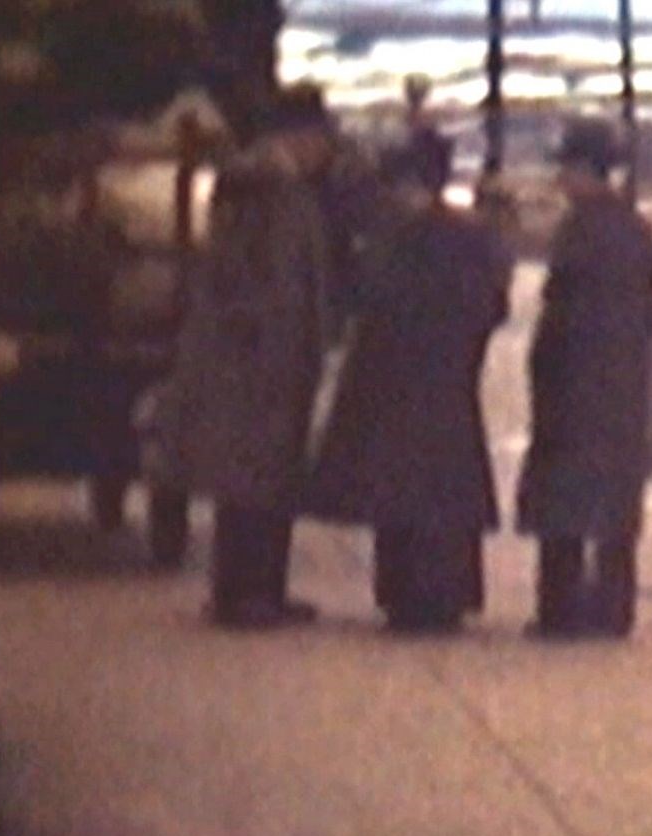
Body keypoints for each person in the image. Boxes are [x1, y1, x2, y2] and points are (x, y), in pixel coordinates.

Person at [305, 127, 512, 633]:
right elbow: (490, 304)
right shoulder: (468, 237)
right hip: (446, 385)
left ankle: (407, 593)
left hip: (398, 384)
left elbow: (367, 296)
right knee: (442, 499)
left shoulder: (397, 237)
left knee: (400, 499)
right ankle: (441, 595)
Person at [157, 91, 338, 629]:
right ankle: (246, 593)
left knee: (266, 478)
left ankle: (259, 589)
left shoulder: (268, 188)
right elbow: (258, 279)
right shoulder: (262, 190)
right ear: (300, 138)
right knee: (254, 478)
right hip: (260, 358)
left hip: (274, 354)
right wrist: (268, 335)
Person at [516, 119, 652, 638]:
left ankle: (560, 611)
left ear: (584, 170)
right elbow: (651, 311)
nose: (561, 179)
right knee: (614, 507)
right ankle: (612, 609)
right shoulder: (635, 229)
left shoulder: (579, 231)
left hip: (573, 386)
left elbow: (562, 315)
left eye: (567, 168)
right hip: (621, 385)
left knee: (564, 504)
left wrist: (546, 372)